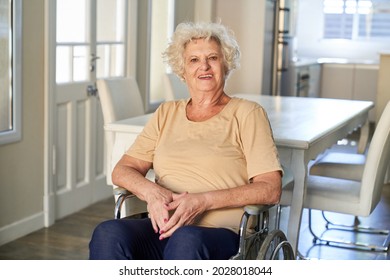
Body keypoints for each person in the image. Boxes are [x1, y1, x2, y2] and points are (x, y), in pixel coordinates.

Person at [89, 21, 283, 260]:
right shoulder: (166, 113)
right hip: (162, 228)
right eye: (193, 60)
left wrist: (203, 201)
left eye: (212, 57)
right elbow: (122, 170)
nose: (204, 66)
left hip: (220, 233)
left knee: (186, 239)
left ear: (226, 64)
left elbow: (270, 189)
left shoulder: (247, 113)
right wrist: (153, 194)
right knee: (108, 233)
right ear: (183, 70)